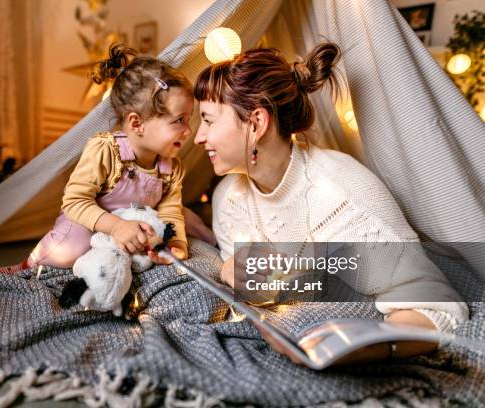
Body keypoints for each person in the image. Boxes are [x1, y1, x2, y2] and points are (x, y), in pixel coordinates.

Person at [193, 43, 468, 363]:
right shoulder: (227, 195)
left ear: (256, 123)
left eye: (208, 120)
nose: (198, 137)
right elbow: (259, 288)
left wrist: (366, 347)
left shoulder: (341, 193)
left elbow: (437, 304)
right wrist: (230, 268)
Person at [0, 44, 194, 293]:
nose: (188, 130)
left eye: (189, 119)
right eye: (179, 121)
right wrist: (115, 226)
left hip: (128, 235)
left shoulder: (172, 168)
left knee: (151, 253)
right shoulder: (106, 150)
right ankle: (27, 267)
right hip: (90, 225)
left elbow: (170, 211)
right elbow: (74, 202)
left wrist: (176, 243)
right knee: (68, 249)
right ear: (137, 123)